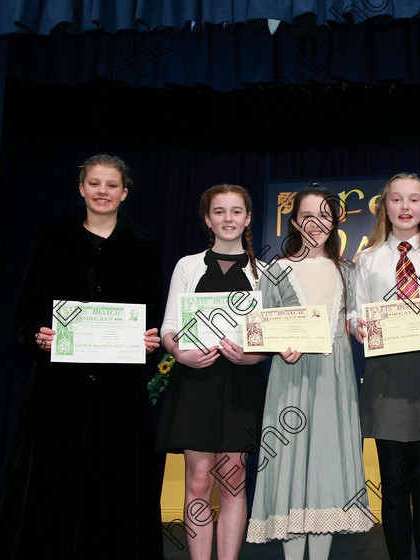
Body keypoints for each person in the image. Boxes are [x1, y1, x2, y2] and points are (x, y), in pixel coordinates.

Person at [0, 154, 164, 560]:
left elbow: (152, 312)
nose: (102, 192)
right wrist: (38, 335)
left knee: (117, 485)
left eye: (111, 185)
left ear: (125, 192)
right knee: (50, 483)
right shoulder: (50, 241)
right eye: (94, 183)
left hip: (120, 391)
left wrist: (148, 339)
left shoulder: (144, 246)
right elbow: (24, 311)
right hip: (57, 389)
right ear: (81, 188)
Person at [246, 184, 374, 559]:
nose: (317, 223)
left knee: (327, 467)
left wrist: (362, 327)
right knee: (290, 463)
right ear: (294, 221)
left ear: (336, 220)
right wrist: (275, 344)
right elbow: (261, 327)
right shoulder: (274, 272)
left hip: (335, 381)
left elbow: (353, 320)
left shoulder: (348, 270)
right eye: (308, 216)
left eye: (325, 214)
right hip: (290, 379)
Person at [156, 184, 277, 560]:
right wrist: (179, 353)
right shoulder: (188, 265)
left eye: (236, 211)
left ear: (248, 218)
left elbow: (272, 335)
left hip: (242, 383)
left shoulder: (268, 273)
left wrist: (253, 358)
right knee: (197, 479)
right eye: (220, 212)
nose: (229, 219)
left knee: (233, 479)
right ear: (208, 219)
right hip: (196, 381)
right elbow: (169, 327)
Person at [352, 172, 420, 560]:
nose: (405, 208)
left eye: (413, 200)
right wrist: (357, 324)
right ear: (385, 207)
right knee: (394, 480)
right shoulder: (367, 259)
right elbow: (354, 311)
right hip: (385, 373)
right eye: (396, 200)